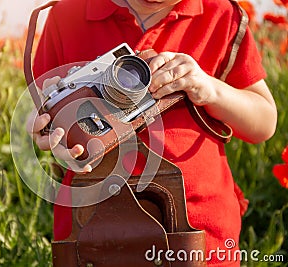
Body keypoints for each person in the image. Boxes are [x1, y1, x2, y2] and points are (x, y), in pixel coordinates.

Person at [27, 0, 277, 265]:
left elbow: (264, 122)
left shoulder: (219, 13)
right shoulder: (69, 13)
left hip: (198, 230)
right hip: (92, 228)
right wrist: (44, 126)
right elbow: (42, 109)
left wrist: (209, 89)